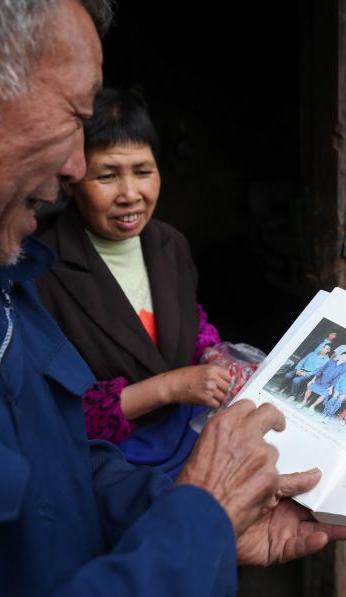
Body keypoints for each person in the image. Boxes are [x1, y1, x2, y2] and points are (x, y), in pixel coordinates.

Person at [0, 1, 346, 597]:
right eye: (74, 117)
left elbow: (68, 467)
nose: (76, 168)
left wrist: (195, 517)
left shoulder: (0, 275)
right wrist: (195, 526)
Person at [35, 88, 228, 477]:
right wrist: (172, 387)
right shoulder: (41, 270)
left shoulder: (169, 244)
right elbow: (53, 416)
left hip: (189, 444)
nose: (130, 195)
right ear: (71, 180)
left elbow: (190, 320)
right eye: (107, 175)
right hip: (109, 474)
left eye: (143, 171)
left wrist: (214, 355)